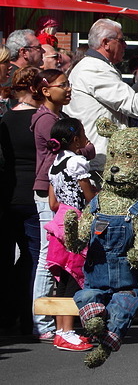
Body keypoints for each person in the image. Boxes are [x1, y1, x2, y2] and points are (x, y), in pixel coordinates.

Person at [31, 69, 96, 342]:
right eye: (63, 85)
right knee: (56, 264)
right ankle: (46, 322)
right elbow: (88, 192)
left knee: (60, 265)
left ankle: (58, 323)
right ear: (46, 90)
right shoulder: (47, 121)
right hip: (67, 207)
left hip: (59, 204)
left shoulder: (57, 121)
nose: (68, 89)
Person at [64, 18, 138, 172]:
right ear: (106, 43)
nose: (126, 45)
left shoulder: (97, 66)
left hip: (100, 158)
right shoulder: (95, 69)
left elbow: (127, 98)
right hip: (98, 161)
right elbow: (135, 106)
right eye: (121, 40)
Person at [44, 118, 96, 352]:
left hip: (59, 223)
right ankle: (67, 332)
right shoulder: (77, 162)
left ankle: (62, 331)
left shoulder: (55, 163)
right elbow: (89, 197)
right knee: (74, 277)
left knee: (63, 279)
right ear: (76, 139)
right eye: (84, 133)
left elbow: (52, 202)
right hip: (77, 222)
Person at [0, 67, 43, 337]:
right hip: (32, 196)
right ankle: (28, 317)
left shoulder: (4, 119)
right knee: (34, 258)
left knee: (9, 258)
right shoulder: (41, 120)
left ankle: (6, 315)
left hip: (7, 196)